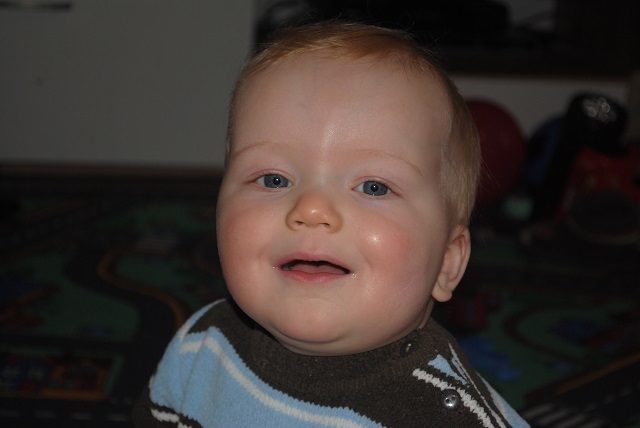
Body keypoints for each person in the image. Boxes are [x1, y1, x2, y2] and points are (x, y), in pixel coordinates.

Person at [134, 21, 528, 427]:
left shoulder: (452, 418)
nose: (312, 209)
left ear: (446, 262)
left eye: (374, 187)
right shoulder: (199, 349)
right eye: (274, 180)